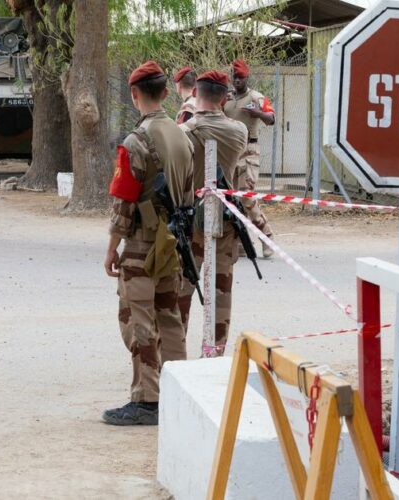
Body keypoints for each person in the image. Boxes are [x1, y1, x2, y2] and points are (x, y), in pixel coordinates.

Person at [103, 60, 194, 426]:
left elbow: (124, 202)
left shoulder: (135, 141)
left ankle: (147, 399)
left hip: (143, 241)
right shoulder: (182, 135)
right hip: (173, 239)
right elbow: (189, 190)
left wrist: (112, 248)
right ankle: (178, 390)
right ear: (166, 93)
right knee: (170, 316)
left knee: (138, 318)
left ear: (135, 95)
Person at [178, 70, 248, 354]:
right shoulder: (238, 131)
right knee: (221, 288)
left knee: (182, 286)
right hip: (225, 217)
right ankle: (215, 349)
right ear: (223, 98)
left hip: (190, 218)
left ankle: (174, 348)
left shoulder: (184, 131)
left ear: (195, 92)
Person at [223, 59, 276, 258]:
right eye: (235, 77)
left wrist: (258, 113)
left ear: (247, 77)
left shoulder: (256, 97)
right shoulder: (226, 98)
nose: (237, 81)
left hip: (249, 150)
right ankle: (240, 244)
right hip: (230, 152)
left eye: (241, 78)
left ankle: (266, 236)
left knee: (246, 197)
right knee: (232, 199)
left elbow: (271, 119)